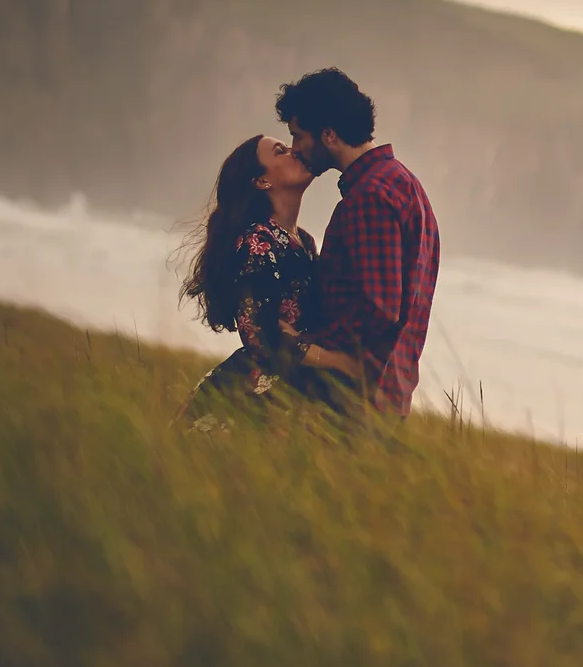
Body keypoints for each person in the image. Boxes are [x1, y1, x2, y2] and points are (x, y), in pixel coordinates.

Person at [276, 67, 440, 417]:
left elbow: (376, 309)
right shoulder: (402, 184)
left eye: (298, 135)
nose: (294, 148)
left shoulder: (370, 197)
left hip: (352, 396)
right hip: (384, 392)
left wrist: (304, 346)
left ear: (329, 135)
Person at [179, 134, 366, 410]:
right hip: (255, 396)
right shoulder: (257, 242)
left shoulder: (303, 241)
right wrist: (341, 363)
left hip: (296, 385)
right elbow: (262, 338)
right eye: (280, 151)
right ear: (261, 180)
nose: (294, 151)